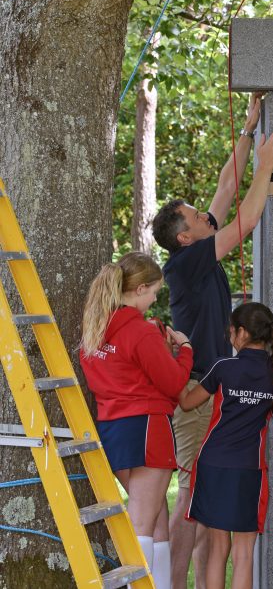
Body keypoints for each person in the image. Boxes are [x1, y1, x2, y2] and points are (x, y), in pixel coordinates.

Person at [151, 93, 273, 589]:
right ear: (185, 237)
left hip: (210, 389)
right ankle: (169, 583)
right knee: (191, 500)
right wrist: (266, 168)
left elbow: (224, 188)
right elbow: (244, 220)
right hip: (194, 394)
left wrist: (250, 129)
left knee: (202, 503)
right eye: (195, 216)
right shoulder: (187, 263)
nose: (203, 215)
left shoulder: (196, 250)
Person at [79, 252, 193, 589]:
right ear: (140, 288)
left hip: (113, 428)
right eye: (155, 291)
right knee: (143, 521)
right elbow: (173, 384)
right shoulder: (140, 332)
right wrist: (184, 350)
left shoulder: (96, 324)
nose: (156, 297)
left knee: (156, 518)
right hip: (146, 425)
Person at [178, 302, 273, 589]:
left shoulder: (223, 366)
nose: (229, 337)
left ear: (242, 333)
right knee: (244, 554)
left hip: (213, 464)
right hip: (249, 468)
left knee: (217, 550)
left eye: (231, 331)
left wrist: (174, 364)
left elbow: (187, 403)